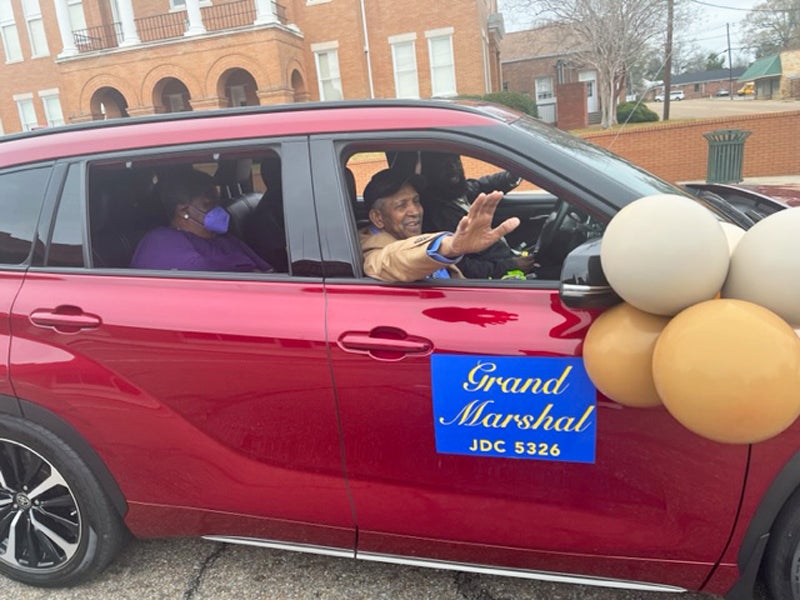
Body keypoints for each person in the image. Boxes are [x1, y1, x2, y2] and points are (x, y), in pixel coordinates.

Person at [360, 167, 519, 282]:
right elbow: (392, 260)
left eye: (416, 201)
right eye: (401, 206)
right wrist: (449, 246)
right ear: (378, 218)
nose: (415, 211)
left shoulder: (402, 235)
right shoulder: (371, 251)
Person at [418, 151, 537, 279]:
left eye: (456, 161)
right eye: (443, 165)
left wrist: (513, 176)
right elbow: (462, 266)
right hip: (495, 278)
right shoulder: (435, 216)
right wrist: (510, 265)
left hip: (507, 258)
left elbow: (486, 184)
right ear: (429, 172)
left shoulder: (458, 191)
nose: (453, 167)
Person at [130, 169, 273, 272]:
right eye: (209, 205)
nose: (219, 211)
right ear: (184, 211)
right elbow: (202, 275)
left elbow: (266, 270)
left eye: (218, 203)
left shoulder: (223, 237)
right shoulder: (161, 241)